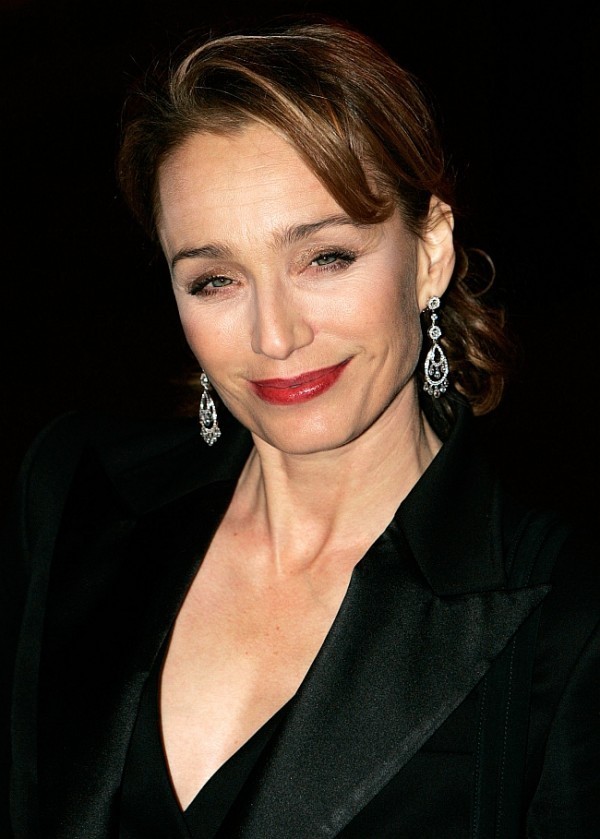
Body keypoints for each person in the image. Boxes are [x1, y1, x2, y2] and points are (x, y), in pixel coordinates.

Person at [1, 14, 598, 838]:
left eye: (325, 258)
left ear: (429, 253)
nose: (275, 336)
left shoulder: (566, 618)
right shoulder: (71, 495)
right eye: (215, 279)